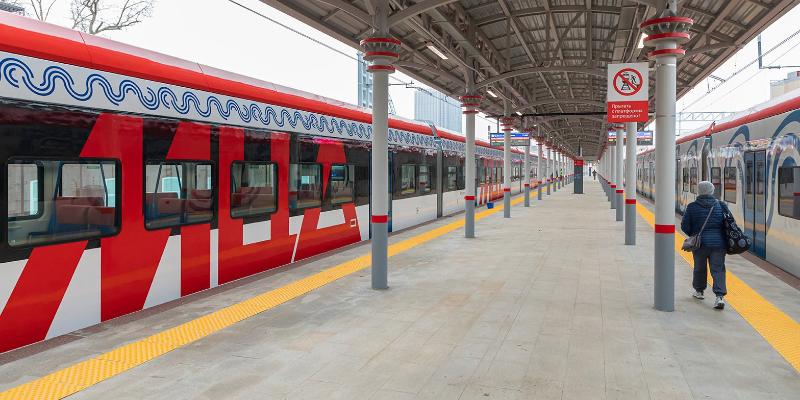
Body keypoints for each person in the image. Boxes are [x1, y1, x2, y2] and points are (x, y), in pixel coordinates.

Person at [680, 181, 727, 309]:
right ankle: (719, 297)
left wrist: (695, 235)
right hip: (719, 244)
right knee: (718, 269)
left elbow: (684, 226)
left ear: (699, 191)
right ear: (712, 191)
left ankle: (699, 291)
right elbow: (729, 223)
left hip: (700, 244)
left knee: (699, 268)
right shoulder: (721, 205)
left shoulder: (692, 207)